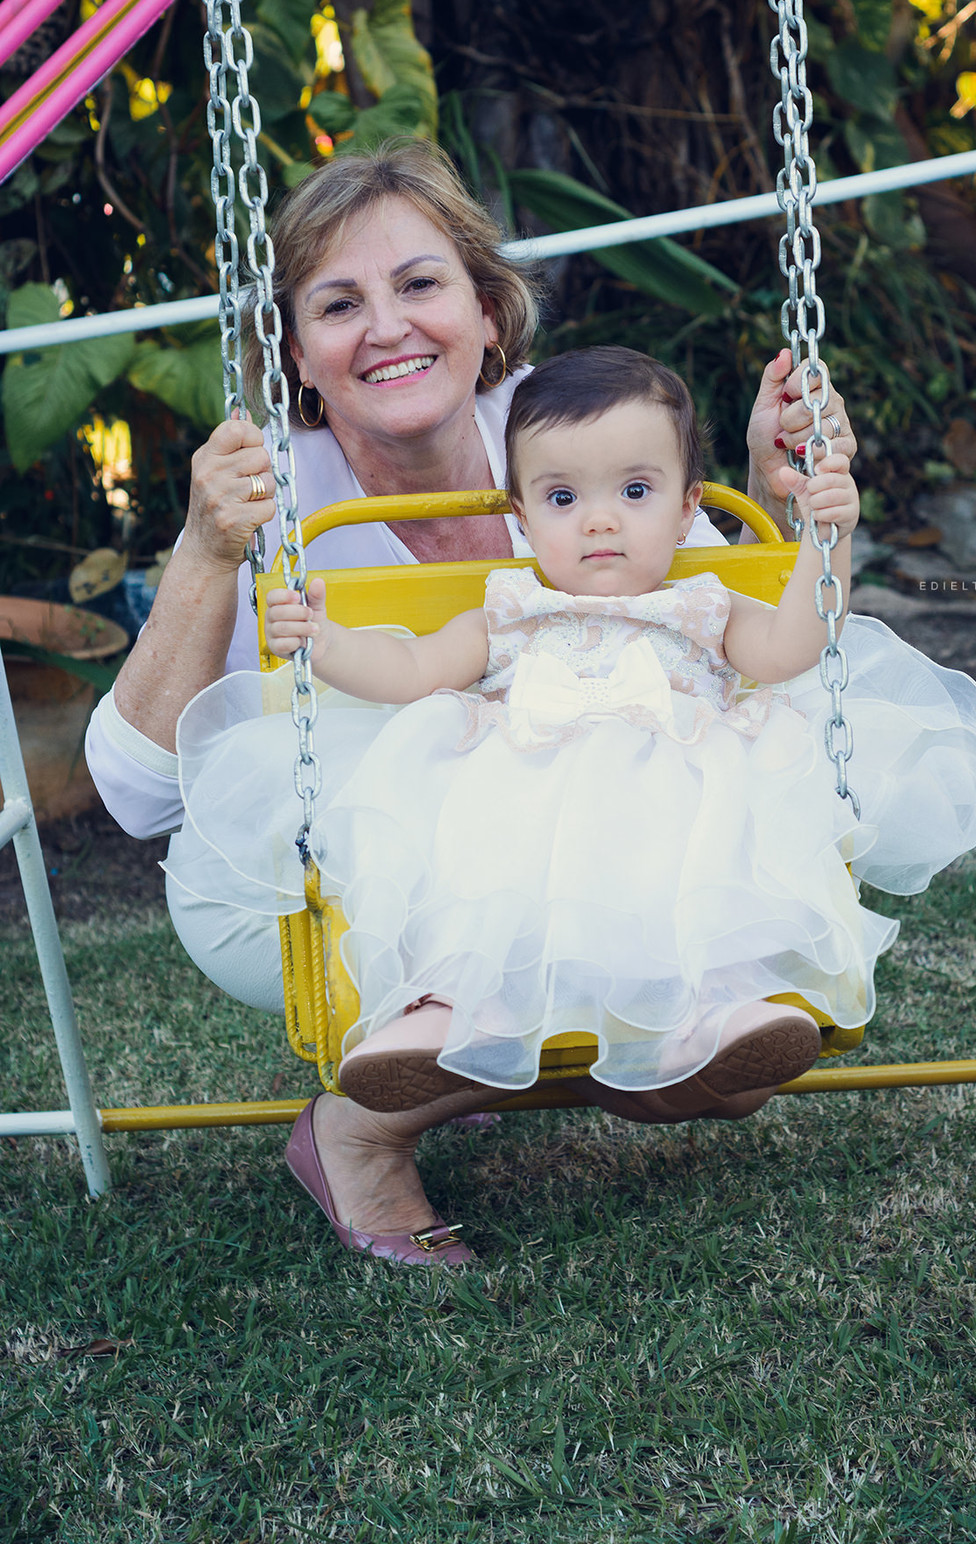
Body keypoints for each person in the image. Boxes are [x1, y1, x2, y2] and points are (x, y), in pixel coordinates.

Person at [83, 139, 865, 1266]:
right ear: (297, 355)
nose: (387, 327)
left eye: (419, 285)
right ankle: (360, 1131)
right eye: (339, 303)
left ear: (488, 314)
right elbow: (136, 798)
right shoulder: (270, 491)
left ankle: (510, 1041)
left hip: (598, 823)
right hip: (326, 868)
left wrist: (775, 492)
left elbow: (723, 655)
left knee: (717, 1074)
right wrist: (212, 553)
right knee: (607, 977)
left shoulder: (577, 443)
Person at [168, 347, 976, 1267]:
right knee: (473, 889)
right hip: (522, 812)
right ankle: (440, 1017)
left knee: (702, 886)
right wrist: (324, 642)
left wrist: (828, 538)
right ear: (521, 515)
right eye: (563, 499)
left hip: (667, 816)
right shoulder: (508, 609)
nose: (600, 522)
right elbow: (408, 673)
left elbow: (788, 647)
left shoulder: (702, 604)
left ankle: (717, 1017)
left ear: (690, 504)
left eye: (636, 491)